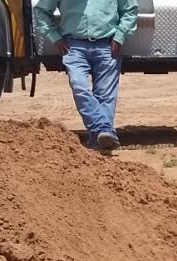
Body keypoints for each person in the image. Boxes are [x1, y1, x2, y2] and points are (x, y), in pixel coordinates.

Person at [33, 0, 138, 152]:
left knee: (106, 95)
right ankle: (104, 130)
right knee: (79, 87)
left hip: (107, 45)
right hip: (74, 46)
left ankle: (98, 141)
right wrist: (54, 37)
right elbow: (41, 11)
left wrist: (120, 35)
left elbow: (130, 10)